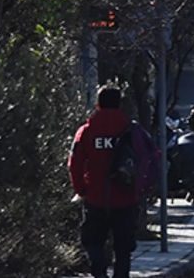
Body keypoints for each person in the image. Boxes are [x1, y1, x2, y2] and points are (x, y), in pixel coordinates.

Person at [69, 85, 159, 278]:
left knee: (93, 242)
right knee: (123, 248)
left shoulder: (86, 131)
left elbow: (74, 163)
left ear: (97, 104)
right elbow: (152, 157)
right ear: (120, 104)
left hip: (95, 197)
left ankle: (99, 273)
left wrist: (81, 189)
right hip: (126, 198)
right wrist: (143, 188)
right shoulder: (133, 131)